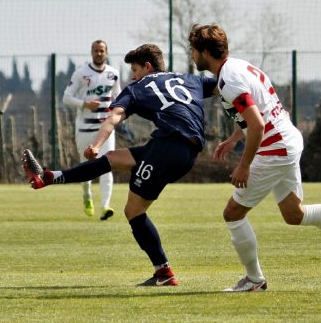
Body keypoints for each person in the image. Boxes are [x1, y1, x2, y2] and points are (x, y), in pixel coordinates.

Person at [188, 23, 321, 292]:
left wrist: (244, 165)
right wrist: (234, 138)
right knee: (294, 214)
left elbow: (257, 124)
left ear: (204, 51)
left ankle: (254, 280)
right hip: (288, 140)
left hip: (274, 148)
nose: (191, 55)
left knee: (233, 213)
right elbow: (258, 112)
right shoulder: (241, 67)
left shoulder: (228, 80)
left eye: (192, 50)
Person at [23, 43, 217, 286]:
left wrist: (95, 144)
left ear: (147, 67)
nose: (132, 76)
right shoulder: (189, 79)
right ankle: (50, 177)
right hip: (187, 150)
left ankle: (164, 273)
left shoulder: (137, 88)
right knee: (114, 159)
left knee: (133, 211)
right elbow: (224, 85)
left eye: (134, 70)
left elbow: (113, 116)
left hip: (167, 147)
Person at [62, 40, 121, 220]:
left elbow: (119, 97)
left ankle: (105, 206)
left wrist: (117, 112)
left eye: (102, 50)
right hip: (84, 128)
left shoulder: (113, 74)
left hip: (105, 128)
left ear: (107, 52)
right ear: (91, 53)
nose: (99, 53)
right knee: (86, 166)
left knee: (107, 165)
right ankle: (87, 195)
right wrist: (85, 104)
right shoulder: (81, 73)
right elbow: (66, 97)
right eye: (96, 51)